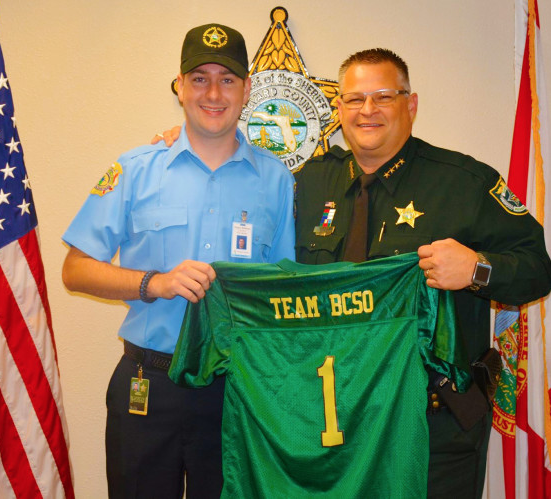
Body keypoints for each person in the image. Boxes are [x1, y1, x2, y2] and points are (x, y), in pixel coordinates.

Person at [156, 48, 551, 498]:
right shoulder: (306, 183)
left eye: (384, 96)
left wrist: (477, 270)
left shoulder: (464, 183)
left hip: (433, 423)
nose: (368, 110)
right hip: (327, 425)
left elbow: (539, 270)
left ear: (412, 104)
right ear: (338, 109)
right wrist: (188, 140)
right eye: (355, 99)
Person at [62, 23, 295, 499]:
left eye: (227, 80)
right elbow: (75, 269)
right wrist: (156, 283)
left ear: (247, 90)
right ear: (179, 87)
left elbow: (283, 293)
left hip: (236, 391)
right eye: (199, 78)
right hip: (148, 387)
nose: (213, 92)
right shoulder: (134, 170)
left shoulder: (276, 182)